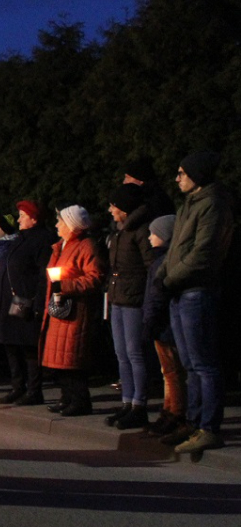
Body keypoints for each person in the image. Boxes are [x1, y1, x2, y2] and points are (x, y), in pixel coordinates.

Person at [158, 152, 234, 454]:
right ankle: (193, 422)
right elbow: (176, 248)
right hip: (180, 290)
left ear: (197, 174)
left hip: (196, 290)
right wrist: (162, 277)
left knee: (204, 364)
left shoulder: (213, 204)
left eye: (182, 173)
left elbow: (203, 253)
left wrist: (169, 279)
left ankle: (209, 428)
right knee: (190, 364)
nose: (177, 178)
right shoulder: (189, 204)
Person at [38, 205, 107, 417]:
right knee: (61, 360)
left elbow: (95, 277)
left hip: (75, 311)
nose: (57, 225)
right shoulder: (62, 245)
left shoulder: (86, 246)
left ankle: (80, 400)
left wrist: (66, 285)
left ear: (71, 225)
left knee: (71, 360)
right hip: (61, 309)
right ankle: (67, 397)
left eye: (60, 221)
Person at [0, 201, 54, 406]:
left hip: (25, 300)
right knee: (11, 344)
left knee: (29, 347)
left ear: (34, 219)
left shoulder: (42, 239)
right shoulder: (21, 237)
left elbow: (43, 274)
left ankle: (34, 390)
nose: (18, 220)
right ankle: (17, 386)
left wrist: (37, 301)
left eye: (22, 215)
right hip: (10, 301)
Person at [105, 183, 155, 428]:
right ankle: (127, 402)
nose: (110, 210)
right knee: (121, 353)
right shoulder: (120, 232)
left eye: (113, 205)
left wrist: (146, 296)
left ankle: (139, 405)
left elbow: (151, 266)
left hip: (133, 300)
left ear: (124, 208)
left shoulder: (140, 231)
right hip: (118, 298)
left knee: (135, 353)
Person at [143, 215, 188, 439]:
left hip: (163, 324)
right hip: (164, 323)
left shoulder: (162, 262)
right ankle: (169, 410)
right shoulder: (166, 259)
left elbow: (156, 297)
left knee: (171, 371)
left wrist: (149, 322)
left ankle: (174, 412)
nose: (150, 237)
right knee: (169, 371)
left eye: (154, 233)